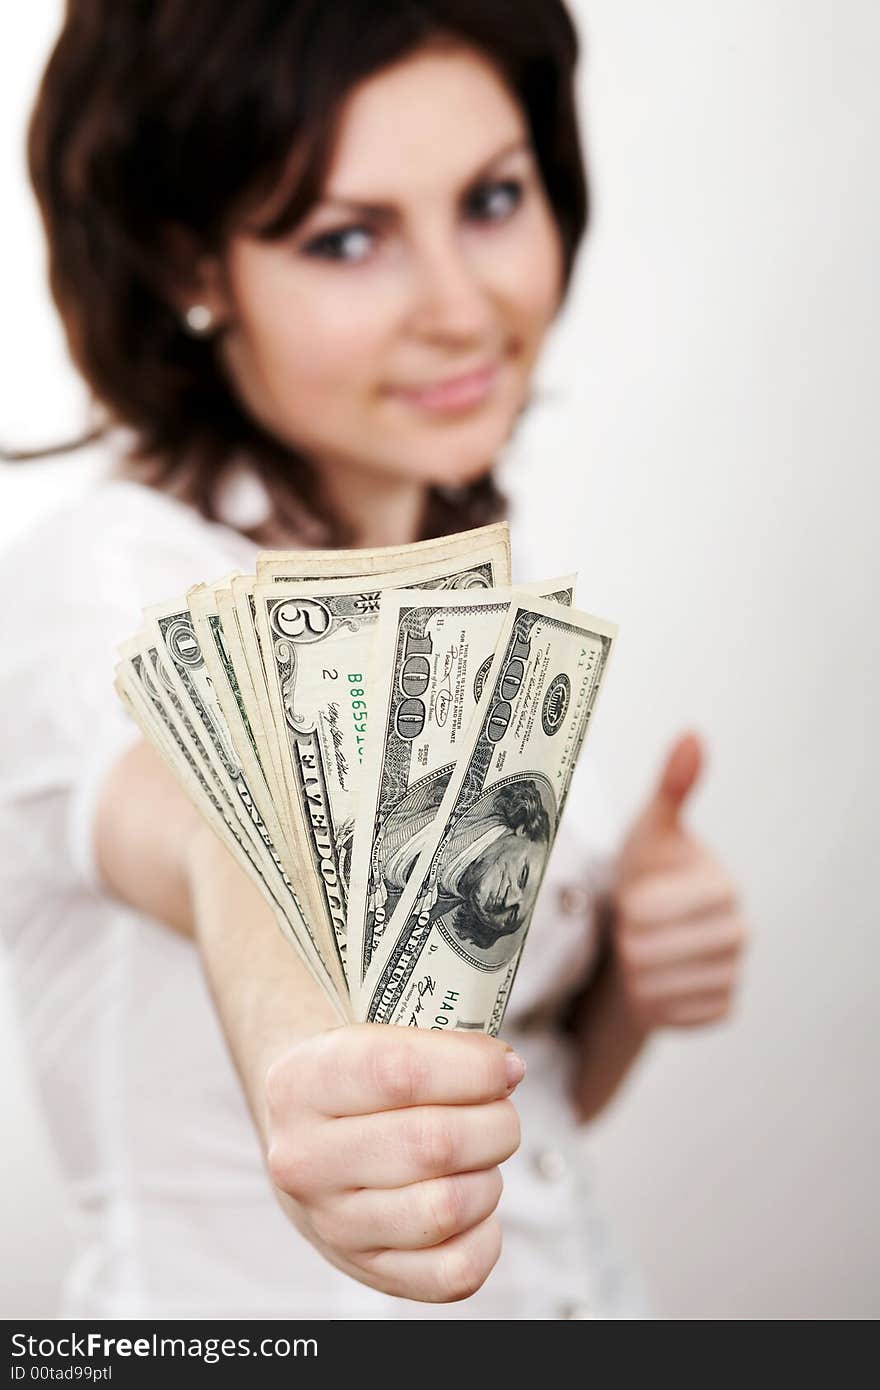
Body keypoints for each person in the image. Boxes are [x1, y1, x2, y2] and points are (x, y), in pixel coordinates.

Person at [0, 0, 750, 1319]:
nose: (463, 307)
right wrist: (295, 1038)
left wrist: (628, 970)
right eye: (348, 237)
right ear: (193, 265)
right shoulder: (111, 580)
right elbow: (218, 829)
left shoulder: (463, 595)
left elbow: (509, 1122)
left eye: (493, 198)